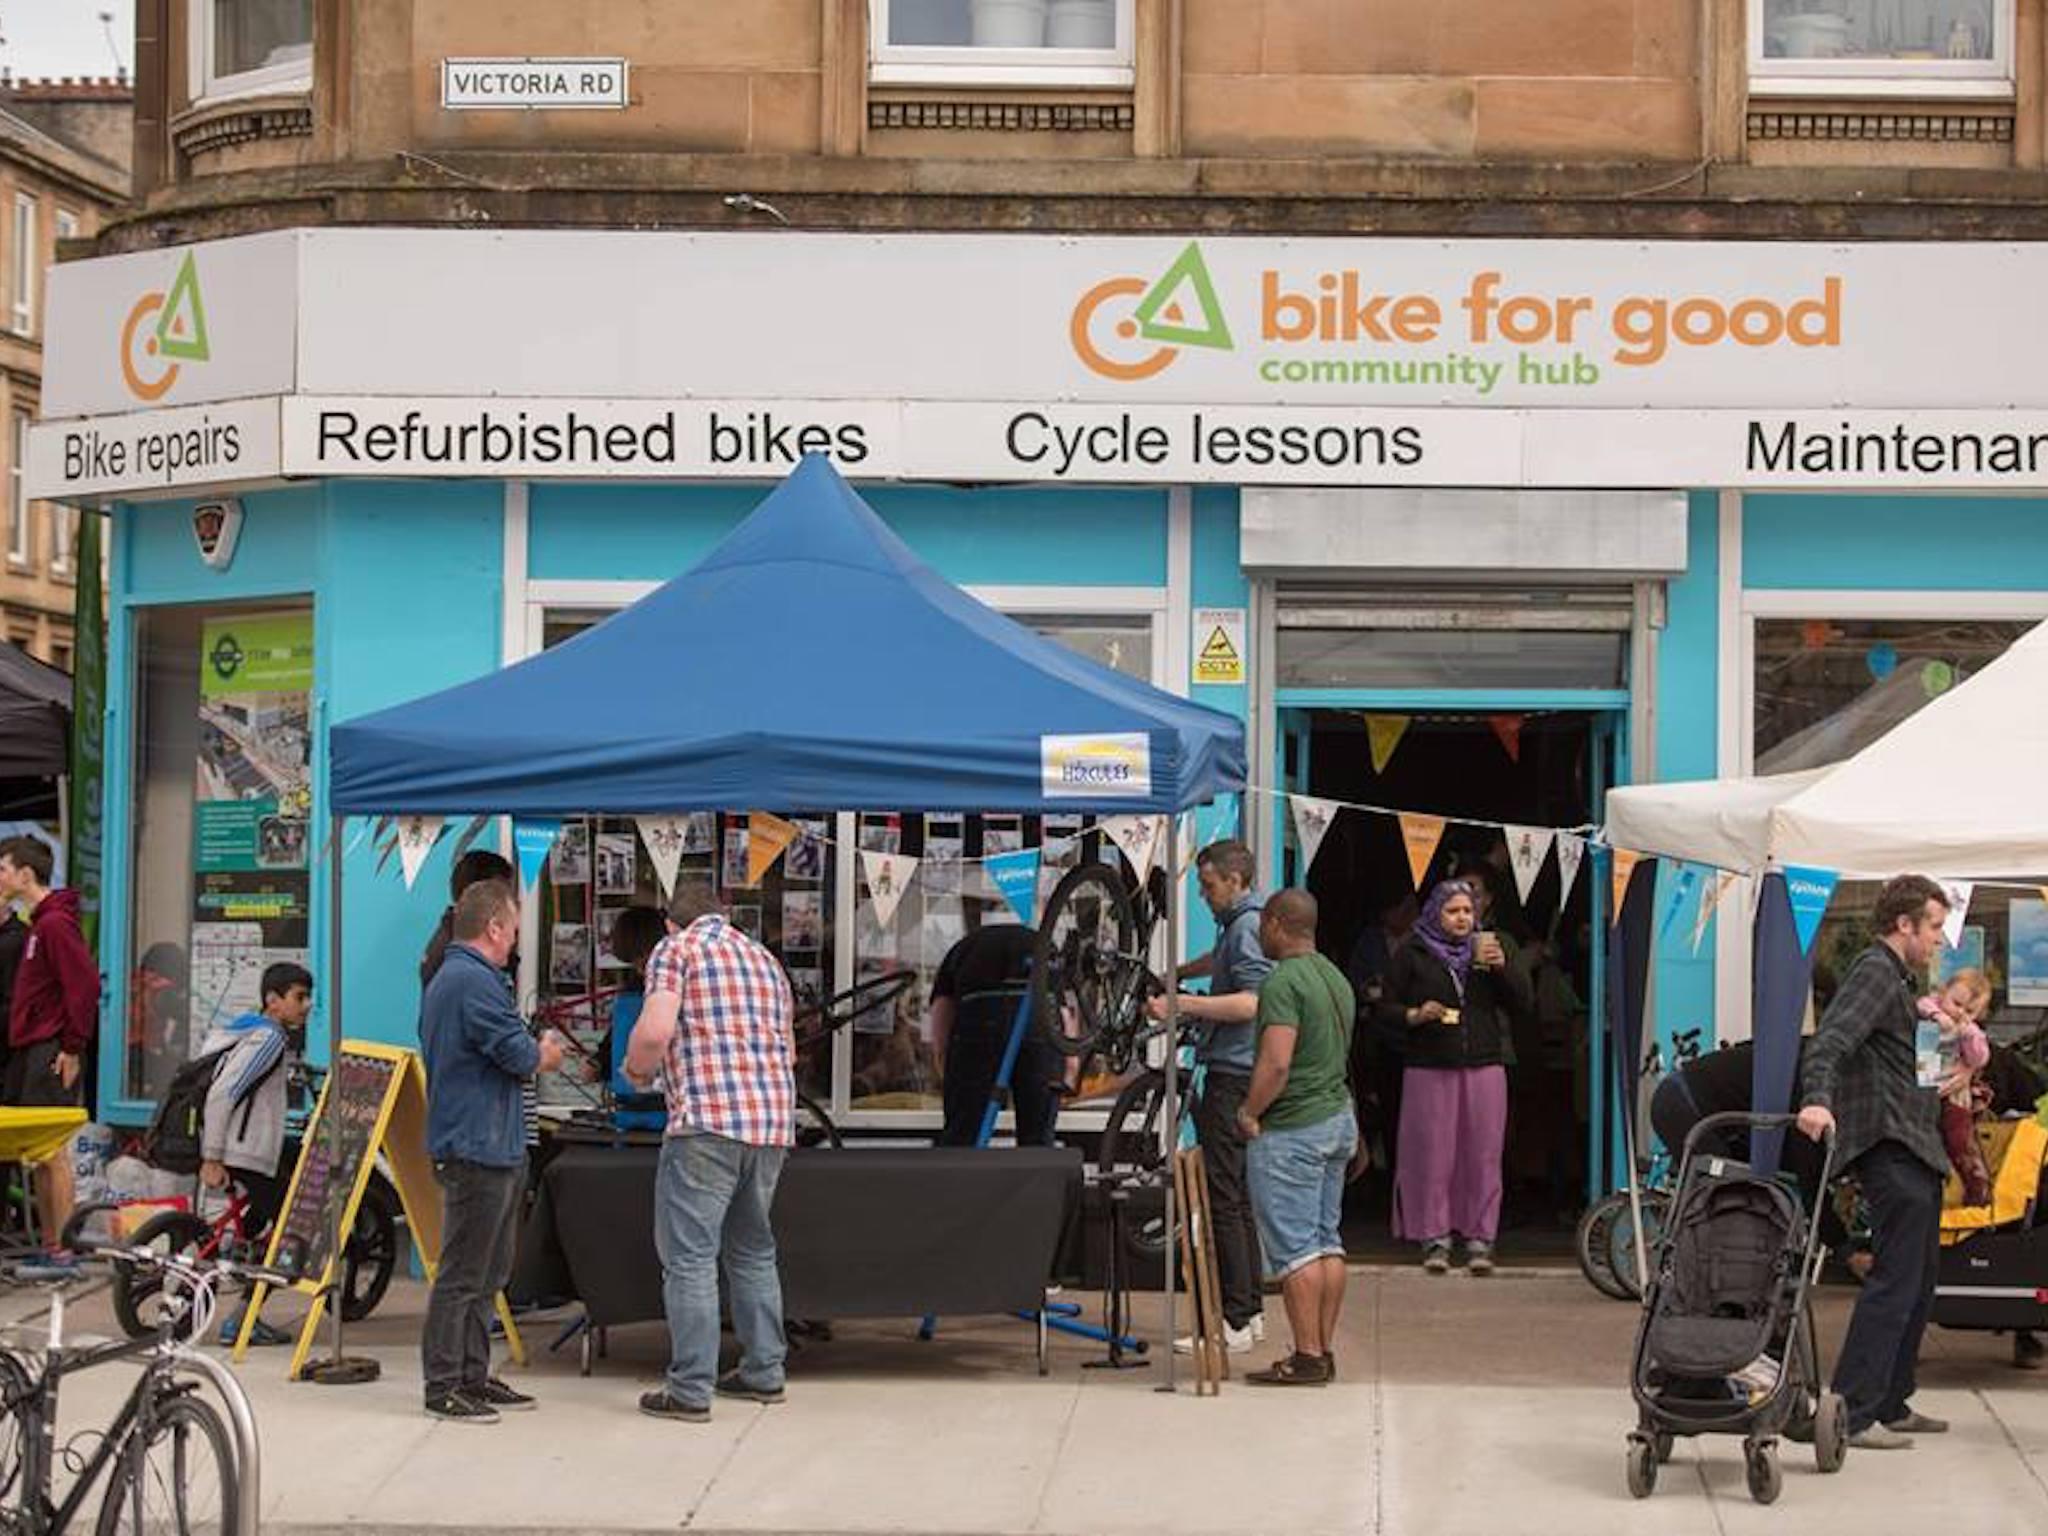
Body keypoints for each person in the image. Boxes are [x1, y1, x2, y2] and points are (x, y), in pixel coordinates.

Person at [624, 879, 796, 1423]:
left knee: (691, 1257)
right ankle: (764, 1370)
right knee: (753, 1250)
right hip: (769, 1124)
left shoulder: (676, 949)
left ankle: (690, 1389)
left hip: (706, 1123)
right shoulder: (764, 959)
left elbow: (654, 1032)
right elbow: (788, 1049)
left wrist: (635, 1072)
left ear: (672, 923)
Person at [1795, 873, 1952, 1452]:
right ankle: (1855, 1413)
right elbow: (1830, 1041)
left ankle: (1892, 1400)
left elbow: (1895, 1062)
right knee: (1895, 1280)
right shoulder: (1873, 972)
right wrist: (1816, 1098)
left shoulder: (1899, 981)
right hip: (1891, 1146)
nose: (1939, 938)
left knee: (1920, 1281)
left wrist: (1944, 1064)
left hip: (1916, 1144)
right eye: (1933, 926)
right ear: (1904, 925)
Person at [418, 878, 565, 1423]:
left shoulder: (459, 977)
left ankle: (473, 1374)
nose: (516, 942)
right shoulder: (471, 981)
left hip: (491, 1141)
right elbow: (517, 1055)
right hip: (475, 1145)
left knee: (489, 1273)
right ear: (494, 927)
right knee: (463, 1273)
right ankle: (444, 1383)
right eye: (514, 930)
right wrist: (545, 1051)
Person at [1147, 839, 1270, 1355]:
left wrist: (1184, 1004)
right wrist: (1183, 973)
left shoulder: (1244, 928)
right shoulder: (1241, 926)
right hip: (1240, 1071)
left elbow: (1250, 1002)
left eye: (1209, 885)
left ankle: (1233, 1322)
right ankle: (1251, 1313)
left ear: (1236, 881)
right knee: (1238, 1198)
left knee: (1222, 1197)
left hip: (1232, 1073)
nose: (1202, 895)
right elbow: (1222, 962)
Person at [1377, 877, 1531, 1276]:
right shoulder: (1413, 953)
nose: (1463, 918)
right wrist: (1414, 1015)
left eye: (1468, 911)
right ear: (1435, 914)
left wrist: (1503, 969)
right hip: (1429, 1066)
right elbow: (1384, 1009)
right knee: (1432, 1154)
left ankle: (1480, 1239)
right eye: (1453, 911)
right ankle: (1435, 1238)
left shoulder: (1488, 950)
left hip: (1484, 1065)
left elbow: (1523, 1002)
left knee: (1482, 1154)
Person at [1238, 889, 1357, 1388]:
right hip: (1336, 1118)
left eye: (1262, 925)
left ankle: (1306, 1356)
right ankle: (1322, 1350)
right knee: (1327, 1243)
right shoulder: (1334, 976)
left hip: (1294, 1127)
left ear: (1276, 923)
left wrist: (1249, 1109)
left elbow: (1277, 1061)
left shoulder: (1283, 981)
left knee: (1296, 1251)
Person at [198, 961, 311, 1346]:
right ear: (273, 1001)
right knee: (289, 1231)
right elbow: (223, 1093)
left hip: (239, 1150)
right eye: (299, 997)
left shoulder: (239, 1030)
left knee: (259, 1218)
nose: (307, 1005)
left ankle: (233, 1254)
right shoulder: (269, 1039)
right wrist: (211, 1156)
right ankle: (242, 1318)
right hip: (244, 1152)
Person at [0, 835, 100, 1249]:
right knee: (37, 1151)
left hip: (50, 1050)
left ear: (25, 874)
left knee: (52, 1151)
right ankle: (51, 1243)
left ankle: (63, 1247)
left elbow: (85, 985)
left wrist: (72, 1047)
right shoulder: (40, 923)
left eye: (3, 869)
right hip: (32, 1049)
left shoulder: (56, 924)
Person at [931, 901, 1057, 1146]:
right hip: (1036, 1012)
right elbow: (1065, 1008)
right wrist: (1068, 1066)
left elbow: (942, 1009)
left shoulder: (963, 947)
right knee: (1037, 1131)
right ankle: (1037, 1179)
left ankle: (962, 1178)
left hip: (981, 1009)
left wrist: (943, 1057)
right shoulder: (1042, 944)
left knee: (965, 1128)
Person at [1923, 968, 1992, 1207]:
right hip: (1924, 1091)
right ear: (1943, 993)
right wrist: (1937, 1016)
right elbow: (1921, 1005)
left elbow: (1980, 1058)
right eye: (1956, 1003)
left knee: (1959, 1138)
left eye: (1970, 1011)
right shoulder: (1931, 1007)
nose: (1960, 1012)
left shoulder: (1970, 1030)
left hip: (1952, 1096)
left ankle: (1976, 1182)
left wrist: (1967, 1034)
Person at [604, 905, 669, 1133]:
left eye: (642, 958)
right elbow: (617, 1036)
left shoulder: (669, 984)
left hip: (665, 1110)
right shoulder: (632, 988)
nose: (640, 968)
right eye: (634, 961)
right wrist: (598, 1060)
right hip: (632, 1109)